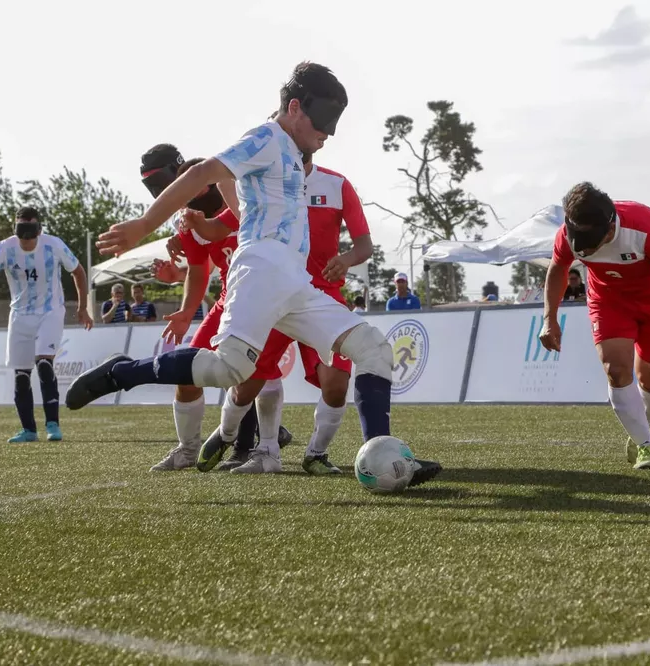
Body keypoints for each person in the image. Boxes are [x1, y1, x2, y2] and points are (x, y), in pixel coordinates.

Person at [67, 61, 441, 487]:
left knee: (374, 349)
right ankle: (122, 372)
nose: (327, 136)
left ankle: (384, 456)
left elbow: (238, 199)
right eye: (322, 126)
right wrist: (143, 225)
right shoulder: (267, 137)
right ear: (295, 107)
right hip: (262, 268)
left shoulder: (294, 152)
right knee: (230, 371)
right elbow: (202, 172)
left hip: (295, 280)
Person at [141, 153, 292, 472]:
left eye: (193, 184)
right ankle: (188, 449)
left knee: (263, 373)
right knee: (187, 369)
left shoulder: (246, 204)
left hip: (272, 296)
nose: (187, 193)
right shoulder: (186, 221)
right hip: (229, 299)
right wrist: (185, 311)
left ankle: (263, 446)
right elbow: (198, 270)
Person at [243, 151, 373, 475]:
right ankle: (267, 452)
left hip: (322, 297)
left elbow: (364, 245)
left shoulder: (337, 184)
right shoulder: (261, 185)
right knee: (256, 374)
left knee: (337, 382)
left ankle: (315, 454)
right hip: (275, 294)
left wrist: (346, 259)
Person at [539, 183, 650, 470]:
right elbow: (557, 269)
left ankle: (643, 423)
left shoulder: (646, 227)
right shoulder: (567, 236)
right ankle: (646, 445)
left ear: (610, 227)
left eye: (592, 244)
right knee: (616, 370)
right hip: (608, 303)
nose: (586, 251)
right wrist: (549, 319)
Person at [0, 206, 93, 443]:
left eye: (31, 232)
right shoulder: (4, 248)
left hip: (50, 311)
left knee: (44, 363)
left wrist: (82, 307)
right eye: (21, 232)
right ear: (14, 229)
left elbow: (78, 271)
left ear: (40, 229)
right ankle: (28, 430)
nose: (27, 240)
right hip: (19, 315)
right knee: (21, 375)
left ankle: (53, 425)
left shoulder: (53, 245)